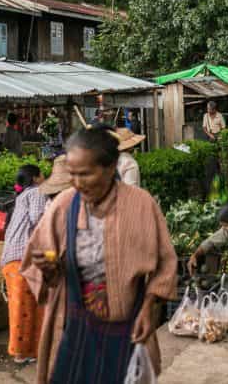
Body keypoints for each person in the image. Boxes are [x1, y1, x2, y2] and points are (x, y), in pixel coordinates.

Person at [21, 127, 178, 383]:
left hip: (127, 328)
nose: (77, 182)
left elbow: (165, 263)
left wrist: (150, 308)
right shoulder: (63, 205)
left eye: (86, 173)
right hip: (74, 328)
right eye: (72, 174)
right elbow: (38, 266)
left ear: (110, 167)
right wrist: (48, 268)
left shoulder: (140, 204)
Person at [2, 164, 49, 364]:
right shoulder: (37, 192)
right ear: (37, 177)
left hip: (12, 258)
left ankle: (32, 351)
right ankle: (22, 353)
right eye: (43, 174)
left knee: (29, 305)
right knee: (24, 307)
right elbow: (38, 219)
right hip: (22, 258)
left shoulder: (22, 196)